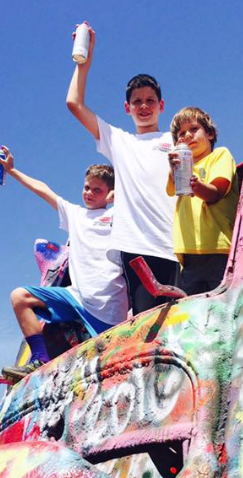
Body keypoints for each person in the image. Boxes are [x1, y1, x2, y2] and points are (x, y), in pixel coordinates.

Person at [66, 23, 177, 314]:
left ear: (161, 105)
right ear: (127, 108)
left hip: (176, 244)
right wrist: (84, 63)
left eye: (150, 101)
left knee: (183, 322)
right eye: (136, 102)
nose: (144, 106)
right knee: (147, 325)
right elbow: (74, 104)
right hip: (137, 248)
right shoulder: (118, 140)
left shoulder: (175, 139)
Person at [0, 146, 128, 381]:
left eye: (97, 190)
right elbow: (44, 190)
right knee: (19, 297)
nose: (89, 193)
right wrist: (13, 171)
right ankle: (39, 359)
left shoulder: (119, 214)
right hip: (76, 296)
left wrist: (123, 196)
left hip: (110, 305)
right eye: (87, 187)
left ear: (110, 193)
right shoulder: (75, 215)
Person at [167, 107, 239, 295]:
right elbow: (174, 187)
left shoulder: (219, 155)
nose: (188, 136)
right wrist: (174, 166)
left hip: (218, 250)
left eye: (193, 129)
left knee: (222, 309)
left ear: (210, 134)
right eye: (181, 134)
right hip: (189, 255)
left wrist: (196, 186)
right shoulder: (181, 169)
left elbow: (216, 192)